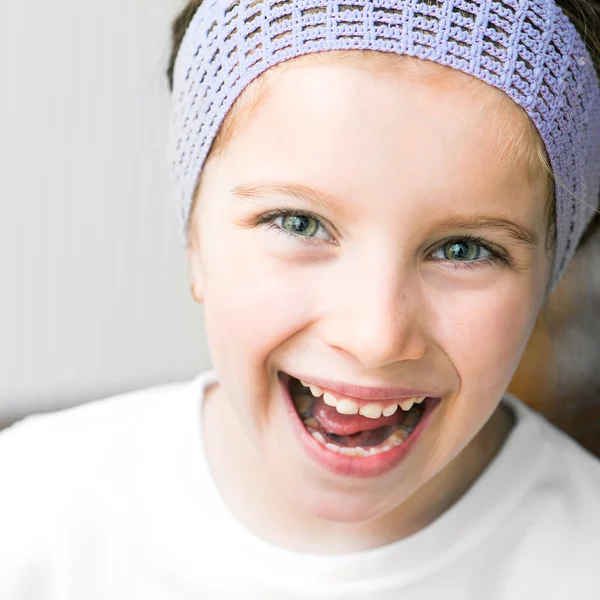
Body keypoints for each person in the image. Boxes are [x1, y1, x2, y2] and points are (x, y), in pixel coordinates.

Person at [2, 0, 600, 597]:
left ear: (550, 273)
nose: (375, 337)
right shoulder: (32, 510)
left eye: (465, 250)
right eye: (299, 223)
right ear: (195, 240)